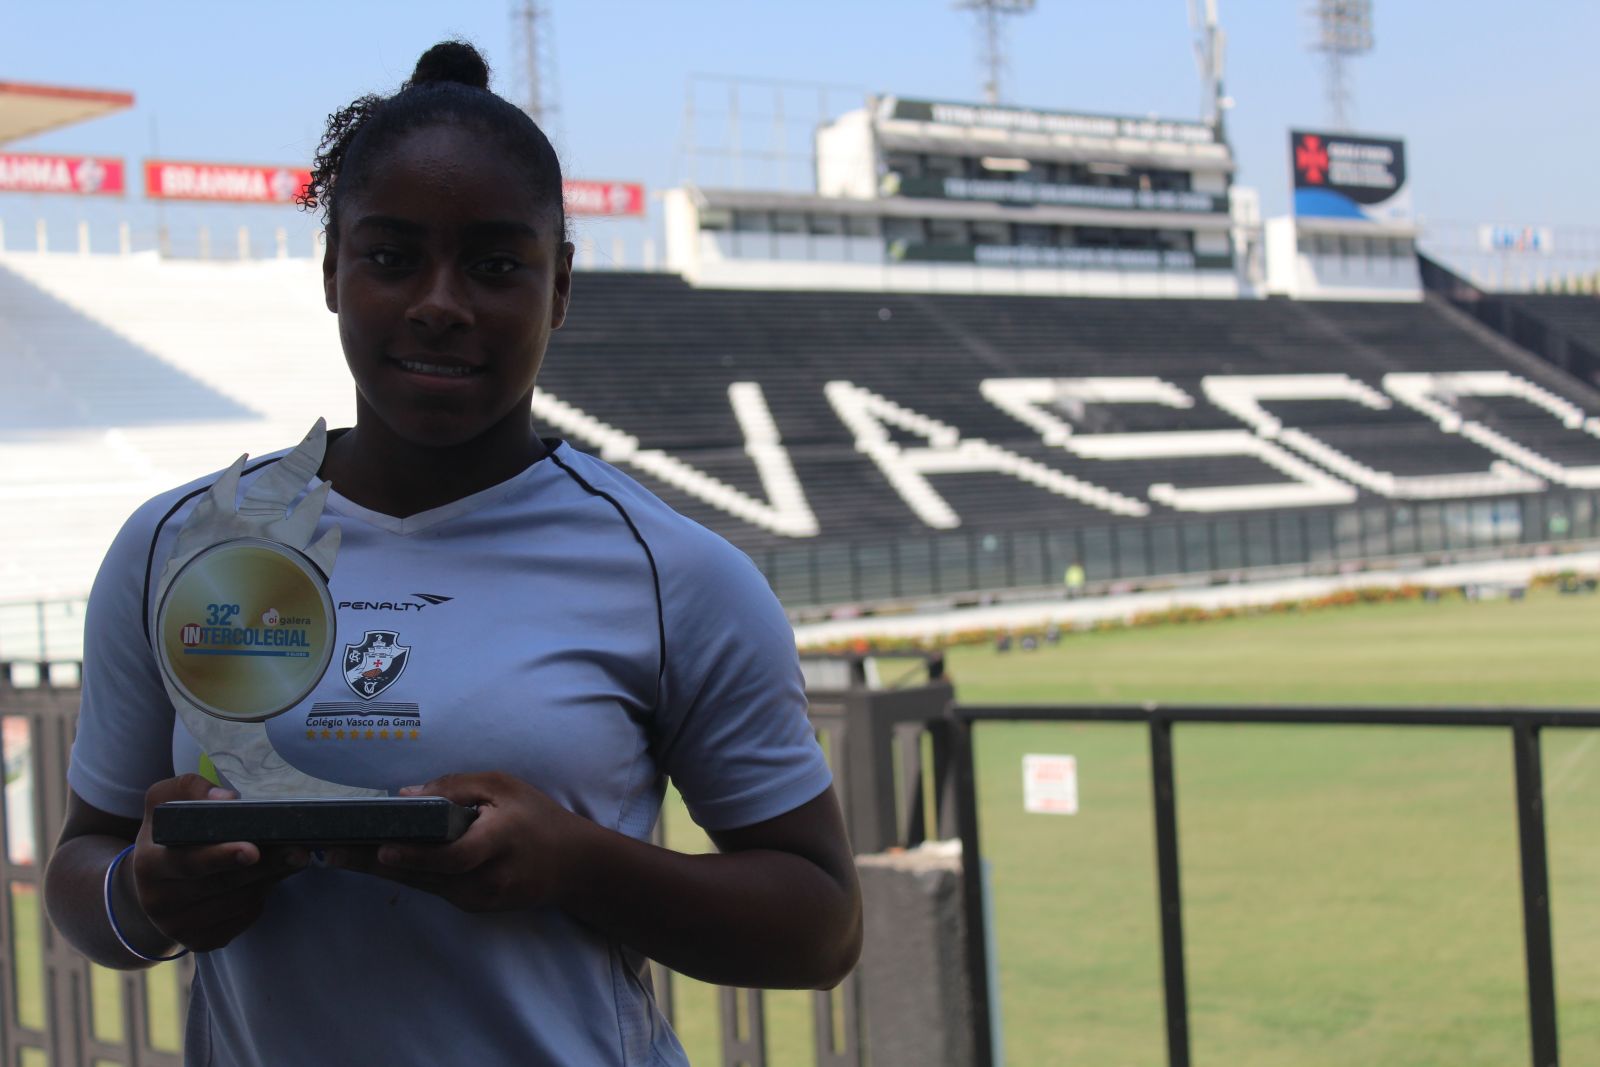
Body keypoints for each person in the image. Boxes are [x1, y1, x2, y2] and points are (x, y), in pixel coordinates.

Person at [44, 41, 861, 1067]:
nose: (439, 302)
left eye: (494, 263)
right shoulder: (176, 546)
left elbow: (822, 930)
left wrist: (580, 863)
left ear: (559, 286)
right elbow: (83, 874)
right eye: (392, 257)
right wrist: (144, 893)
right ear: (332, 269)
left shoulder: (675, 574)